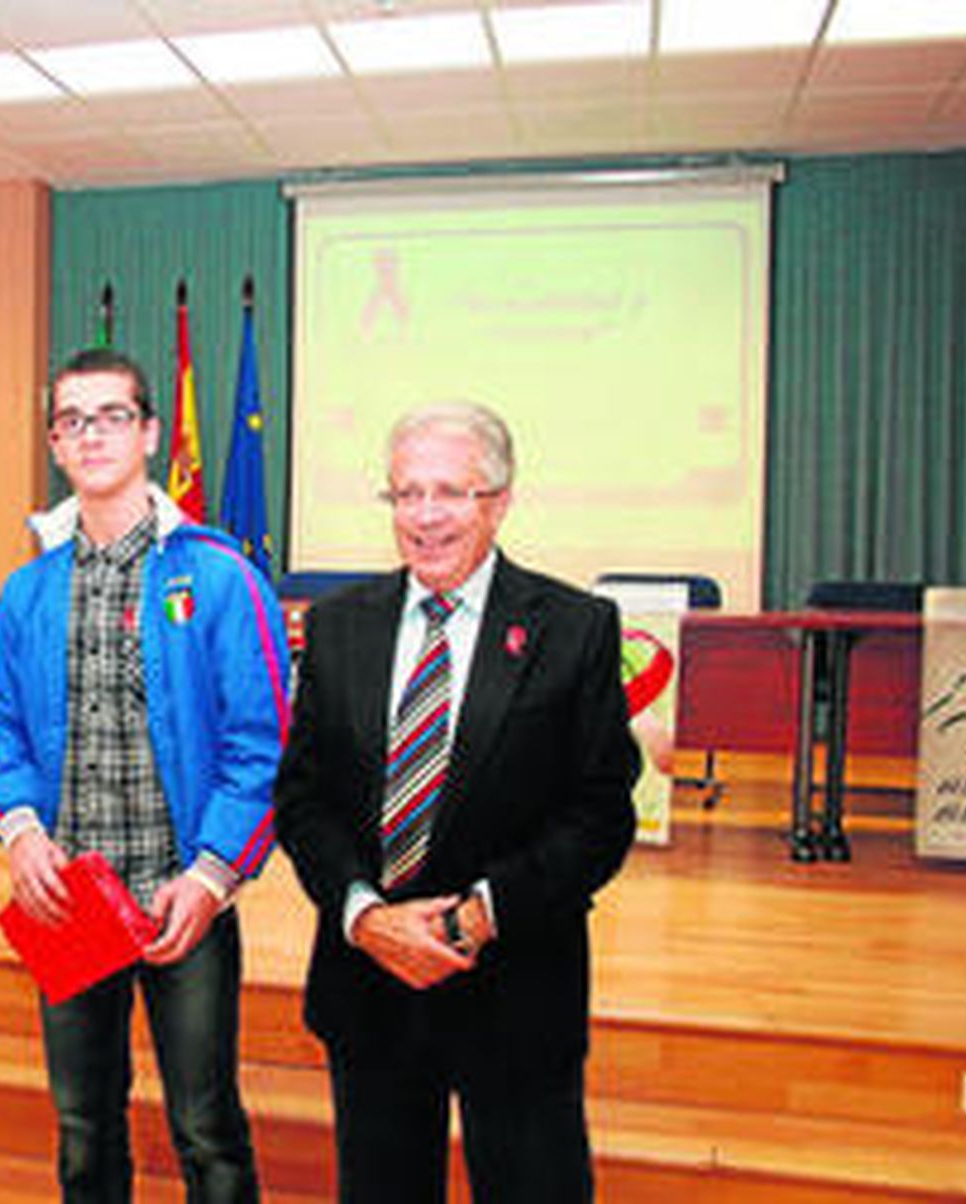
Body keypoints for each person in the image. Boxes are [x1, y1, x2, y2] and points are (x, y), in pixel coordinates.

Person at [274, 401, 638, 1204]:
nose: (425, 517)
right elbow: (302, 800)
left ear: (500, 501)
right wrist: (365, 916)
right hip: (371, 987)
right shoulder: (336, 628)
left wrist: (479, 913)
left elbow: (602, 813)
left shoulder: (574, 628)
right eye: (406, 494)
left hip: (517, 990)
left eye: (450, 493)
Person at [0, 347, 290, 1203]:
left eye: (112, 415)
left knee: (206, 1128)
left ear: (150, 432)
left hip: (181, 897)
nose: (91, 434)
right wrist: (22, 829)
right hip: (70, 901)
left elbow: (262, 745)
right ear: (54, 444)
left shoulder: (222, 578)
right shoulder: (30, 591)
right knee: (82, 1128)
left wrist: (213, 875)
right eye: (72, 420)